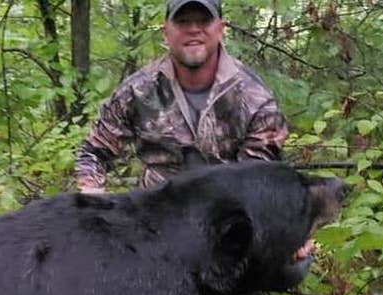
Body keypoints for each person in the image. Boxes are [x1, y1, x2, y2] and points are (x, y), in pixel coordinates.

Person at [75, 0, 289, 194]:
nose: (194, 29)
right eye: (183, 21)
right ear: (166, 32)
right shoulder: (138, 90)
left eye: (204, 21)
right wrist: (93, 199)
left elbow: (259, 176)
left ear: (221, 29)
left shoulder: (255, 97)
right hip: (155, 217)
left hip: (227, 216)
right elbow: (93, 151)